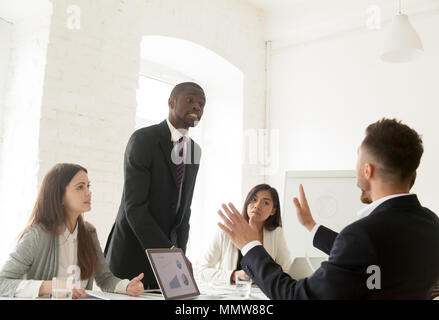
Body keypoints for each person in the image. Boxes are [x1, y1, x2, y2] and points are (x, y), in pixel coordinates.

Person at [218, 118, 439, 299]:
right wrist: (311, 226)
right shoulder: (431, 224)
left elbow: (297, 297)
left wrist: (250, 246)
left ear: (368, 170)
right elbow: (368, 254)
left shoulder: (363, 234)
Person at [105, 82, 205, 289]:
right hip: (131, 255)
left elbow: (184, 211)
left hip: (168, 261)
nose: (197, 106)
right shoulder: (143, 140)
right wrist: (170, 254)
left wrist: (179, 256)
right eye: (190, 100)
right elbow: (135, 208)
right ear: (171, 103)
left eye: (201, 104)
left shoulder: (194, 150)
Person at [297, 167, 439, 299]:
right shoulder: (431, 222)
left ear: (371, 171)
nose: (358, 181)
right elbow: (358, 252)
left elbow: (306, 294)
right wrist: (311, 225)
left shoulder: (366, 231)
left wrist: (270, 266)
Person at [0, 163, 144, 298]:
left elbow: (105, 279)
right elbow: (2, 283)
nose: (88, 192)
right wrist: (50, 287)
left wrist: (126, 286)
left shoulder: (89, 232)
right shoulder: (37, 235)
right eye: (80, 187)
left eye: (88, 186)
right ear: (60, 196)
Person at [195, 184, 292, 285]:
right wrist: (234, 275)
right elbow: (201, 272)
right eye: (254, 199)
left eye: (265, 203)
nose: (257, 206)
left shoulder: (276, 234)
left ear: (273, 211)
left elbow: (285, 271)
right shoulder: (227, 230)